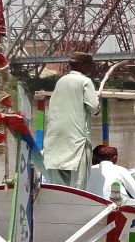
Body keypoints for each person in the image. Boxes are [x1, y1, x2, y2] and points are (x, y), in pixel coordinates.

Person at [43, 52, 101, 187]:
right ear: (82, 65)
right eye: (90, 65)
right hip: (77, 142)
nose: (91, 69)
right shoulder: (85, 81)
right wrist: (98, 100)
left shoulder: (61, 81)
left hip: (55, 141)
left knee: (59, 188)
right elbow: (94, 108)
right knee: (79, 187)